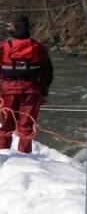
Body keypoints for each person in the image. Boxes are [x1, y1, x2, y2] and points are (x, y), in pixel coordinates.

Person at [0, 16, 53, 153]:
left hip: (7, 92)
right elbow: (47, 72)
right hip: (31, 92)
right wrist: (44, 91)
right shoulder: (38, 47)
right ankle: (24, 156)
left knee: (6, 125)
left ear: (14, 27)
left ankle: (3, 152)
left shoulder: (4, 46)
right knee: (26, 126)